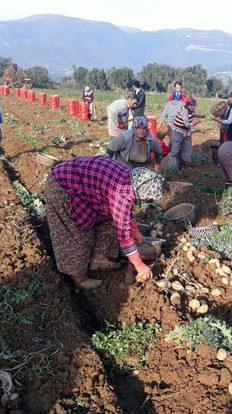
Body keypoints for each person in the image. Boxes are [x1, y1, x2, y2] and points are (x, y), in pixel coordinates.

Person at [44, 156, 163, 289]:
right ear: (139, 191)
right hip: (63, 187)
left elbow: (127, 211)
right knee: (77, 234)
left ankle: (97, 259)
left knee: (107, 223)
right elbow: (124, 235)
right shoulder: (122, 193)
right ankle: (79, 278)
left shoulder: (132, 178)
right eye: (146, 199)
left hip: (83, 187)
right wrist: (139, 264)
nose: (145, 202)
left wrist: (135, 230)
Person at [165, 96, 202, 171]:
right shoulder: (184, 111)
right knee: (175, 149)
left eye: (194, 105)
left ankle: (186, 165)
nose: (192, 107)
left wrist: (200, 116)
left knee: (187, 149)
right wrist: (194, 123)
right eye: (191, 105)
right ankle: (170, 165)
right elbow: (186, 124)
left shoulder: (191, 111)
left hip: (186, 132)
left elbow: (192, 115)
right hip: (178, 131)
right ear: (187, 105)